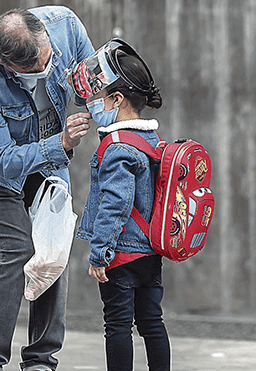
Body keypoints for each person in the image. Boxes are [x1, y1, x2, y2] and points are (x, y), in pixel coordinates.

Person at [0, 6, 94, 371]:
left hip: (49, 146)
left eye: (48, 61)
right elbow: (6, 161)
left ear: (45, 35)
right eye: (33, 70)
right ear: (2, 61)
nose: (45, 71)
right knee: (16, 249)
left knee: (53, 247)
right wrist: (60, 144)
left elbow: (96, 87)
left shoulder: (65, 26)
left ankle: (41, 361)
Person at [73, 39, 171, 371]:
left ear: (117, 99)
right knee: (152, 322)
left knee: (117, 326)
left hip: (121, 254)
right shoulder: (150, 140)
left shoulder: (116, 146)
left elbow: (115, 204)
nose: (91, 105)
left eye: (97, 98)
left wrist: (100, 253)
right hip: (150, 251)